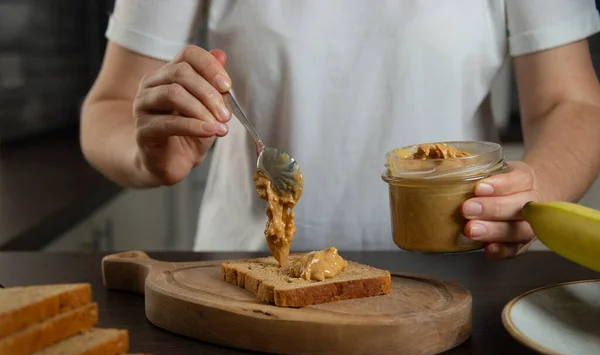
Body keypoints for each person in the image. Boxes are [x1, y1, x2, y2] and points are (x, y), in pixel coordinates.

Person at [81, 0, 600, 259]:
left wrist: (535, 190)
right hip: (246, 276)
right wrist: (144, 149)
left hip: (455, 278)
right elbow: (108, 105)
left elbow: (572, 101)